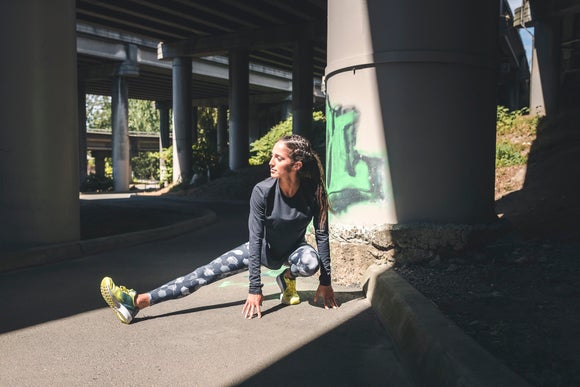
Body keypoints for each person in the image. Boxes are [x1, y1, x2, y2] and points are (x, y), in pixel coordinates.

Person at [100, 134, 339, 324]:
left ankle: (287, 279)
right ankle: (137, 302)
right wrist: (255, 288)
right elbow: (255, 239)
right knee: (201, 275)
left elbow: (321, 235)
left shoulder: (313, 191)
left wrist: (325, 281)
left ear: (296, 165)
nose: (271, 162)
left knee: (310, 263)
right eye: (271, 156)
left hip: (294, 250)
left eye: (279, 158)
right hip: (262, 248)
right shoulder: (262, 192)